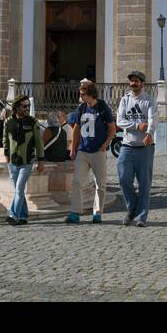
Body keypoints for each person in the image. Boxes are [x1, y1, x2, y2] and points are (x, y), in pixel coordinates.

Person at [64, 79, 116, 224]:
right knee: (77, 181)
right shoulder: (81, 108)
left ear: (91, 94)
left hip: (98, 152)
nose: (81, 97)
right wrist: (73, 148)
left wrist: (105, 145)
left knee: (100, 184)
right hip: (83, 151)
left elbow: (112, 129)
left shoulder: (102, 107)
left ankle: (97, 213)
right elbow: (76, 129)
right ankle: (75, 212)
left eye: (83, 94)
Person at [116, 71, 158, 225]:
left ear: (142, 83)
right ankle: (132, 207)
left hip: (145, 147)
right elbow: (120, 121)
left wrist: (149, 133)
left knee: (144, 183)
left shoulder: (149, 100)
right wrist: (137, 126)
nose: (133, 83)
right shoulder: (124, 100)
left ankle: (141, 216)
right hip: (127, 145)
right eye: (131, 81)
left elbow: (153, 119)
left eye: (136, 81)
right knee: (123, 178)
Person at [2, 95, 44, 225]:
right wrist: (7, 157)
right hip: (12, 162)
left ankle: (13, 215)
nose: (27, 108)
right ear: (17, 108)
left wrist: (41, 160)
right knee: (18, 191)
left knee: (19, 189)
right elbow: (5, 140)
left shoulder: (33, 122)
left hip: (27, 161)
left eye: (28, 106)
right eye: (24, 106)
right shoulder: (8, 122)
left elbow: (38, 142)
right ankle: (24, 216)